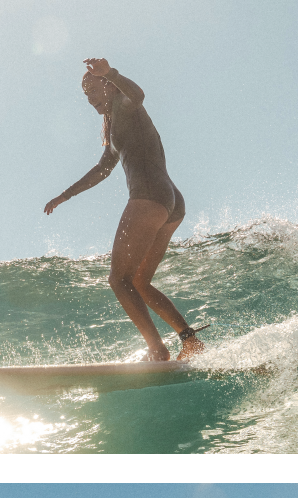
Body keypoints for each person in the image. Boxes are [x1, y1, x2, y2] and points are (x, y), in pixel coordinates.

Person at [44, 58, 207, 363]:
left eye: (93, 88)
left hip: (149, 196)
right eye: (85, 94)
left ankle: (157, 350)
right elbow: (102, 169)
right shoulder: (116, 125)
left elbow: (139, 95)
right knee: (140, 282)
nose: (90, 98)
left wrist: (112, 73)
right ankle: (190, 340)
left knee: (119, 280)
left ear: (108, 85)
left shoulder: (125, 105)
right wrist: (65, 195)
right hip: (170, 201)